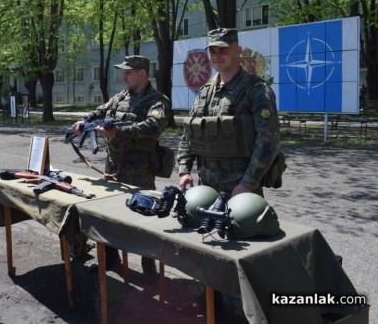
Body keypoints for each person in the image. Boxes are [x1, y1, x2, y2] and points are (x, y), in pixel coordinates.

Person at [72, 54, 171, 278]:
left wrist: (120, 132)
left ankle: (149, 268)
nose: (124, 75)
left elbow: (154, 126)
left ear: (142, 73)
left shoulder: (156, 100)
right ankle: (112, 259)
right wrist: (84, 121)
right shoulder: (120, 97)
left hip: (140, 168)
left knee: (144, 216)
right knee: (109, 214)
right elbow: (100, 110)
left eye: (128, 72)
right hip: (114, 164)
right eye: (123, 71)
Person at [177, 28, 280, 198]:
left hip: (240, 188)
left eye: (223, 50)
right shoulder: (205, 91)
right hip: (206, 188)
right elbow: (189, 133)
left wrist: (247, 184)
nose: (217, 55)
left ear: (238, 51)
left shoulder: (256, 90)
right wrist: (184, 170)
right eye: (212, 51)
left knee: (241, 226)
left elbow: (268, 140)